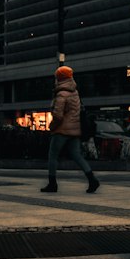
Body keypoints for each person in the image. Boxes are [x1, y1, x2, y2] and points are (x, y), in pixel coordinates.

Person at [42, 64, 99, 194]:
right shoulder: (75, 92)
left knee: (53, 156)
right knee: (77, 155)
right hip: (75, 129)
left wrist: (52, 127)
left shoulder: (61, 94)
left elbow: (58, 115)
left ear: (59, 78)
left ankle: (52, 184)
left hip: (62, 130)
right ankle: (92, 179)